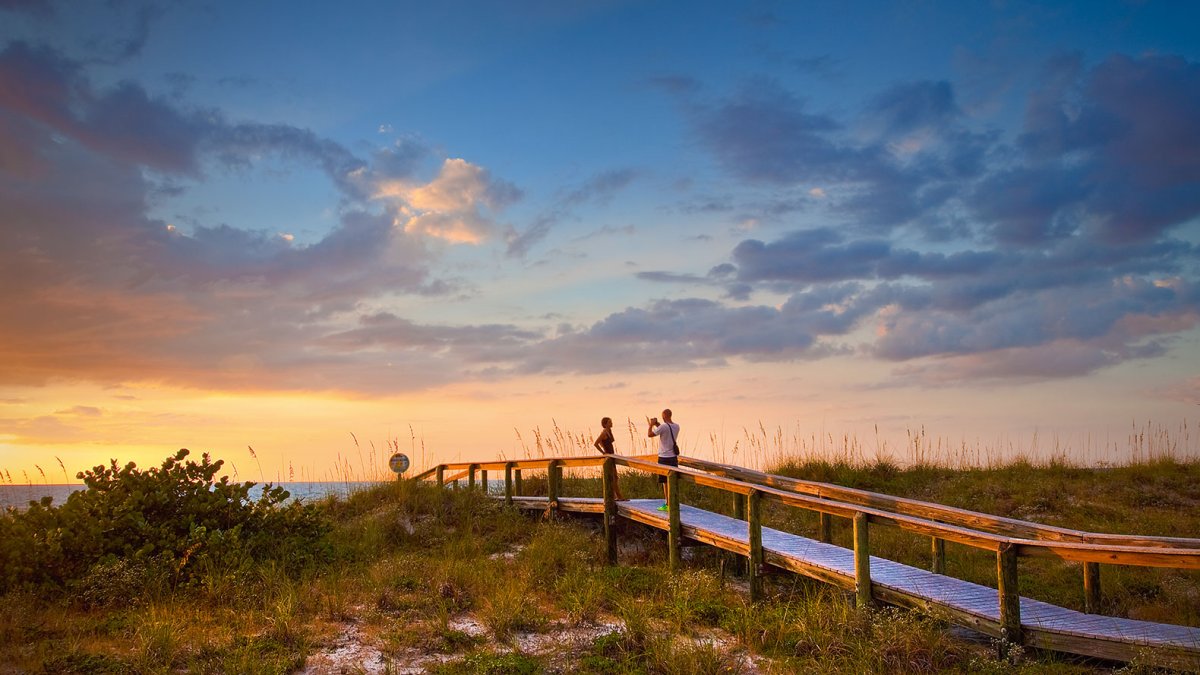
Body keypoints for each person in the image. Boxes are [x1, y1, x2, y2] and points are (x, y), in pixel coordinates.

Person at [647, 408, 679, 511]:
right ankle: (673, 503)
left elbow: (650, 435)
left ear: (664, 416)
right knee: (673, 481)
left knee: (665, 482)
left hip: (664, 458)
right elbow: (664, 429)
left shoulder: (664, 426)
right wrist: (658, 424)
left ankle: (667, 504)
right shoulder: (676, 426)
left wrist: (651, 424)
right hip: (673, 457)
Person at [593, 416, 625, 500]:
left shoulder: (609, 431)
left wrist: (603, 446)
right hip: (609, 457)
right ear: (605, 424)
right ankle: (619, 496)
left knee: (615, 477)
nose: (611, 423)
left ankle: (615, 496)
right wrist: (603, 452)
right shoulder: (604, 433)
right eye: (610, 422)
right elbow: (596, 443)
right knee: (613, 477)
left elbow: (604, 442)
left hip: (612, 455)